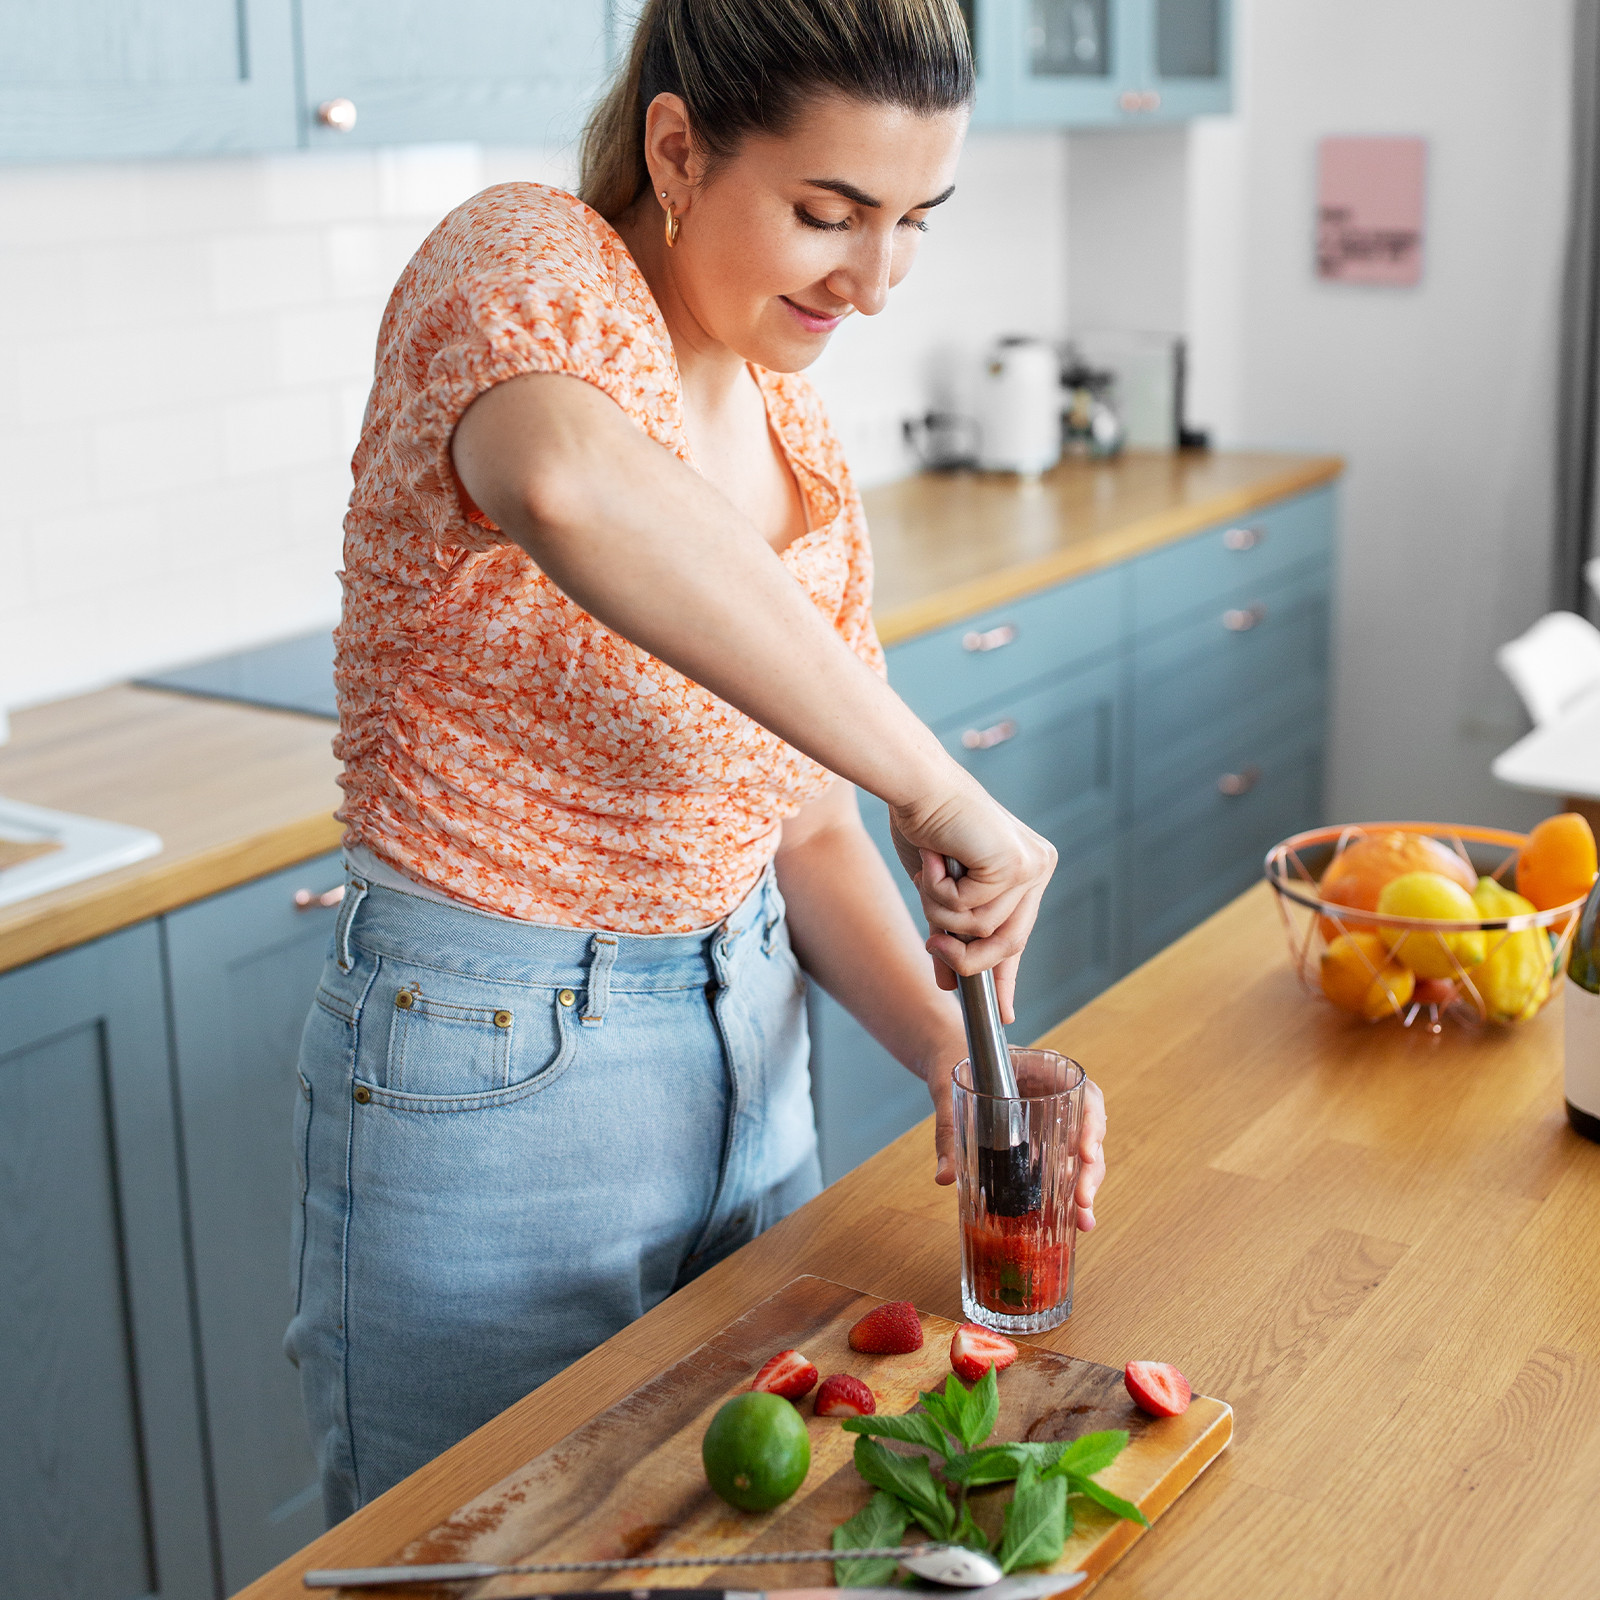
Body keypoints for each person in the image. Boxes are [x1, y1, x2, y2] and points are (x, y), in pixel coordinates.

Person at [287, 0, 1108, 1522]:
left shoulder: (797, 430)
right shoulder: (525, 263)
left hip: (754, 1052)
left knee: (718, 1529)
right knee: (487, 1546)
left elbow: (793, 828)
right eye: (828, 212)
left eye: (914, 220)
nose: (874, 279)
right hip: (495, 1073)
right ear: (677, 147)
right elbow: (567, 480)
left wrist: (953, 1057)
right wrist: (933, 781)